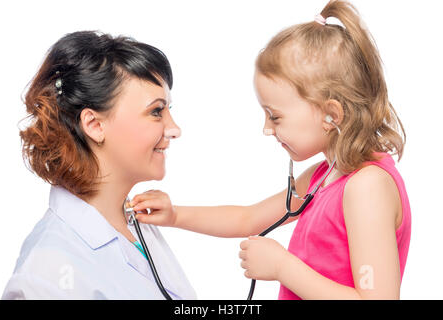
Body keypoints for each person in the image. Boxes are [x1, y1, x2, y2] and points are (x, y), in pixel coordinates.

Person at [129, 0, 411, 299]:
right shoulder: (323, 176)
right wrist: (175, 215)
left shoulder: (367, 187)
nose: (267, 128)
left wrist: (282, 267)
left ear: (332, 115)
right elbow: (247, 219)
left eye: (275, 116)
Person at [2, 30, 196, 299]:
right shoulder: (46, 274)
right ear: (94, 125)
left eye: (168, 111)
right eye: (156, 111)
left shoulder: (135, 224)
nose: (174, 130)